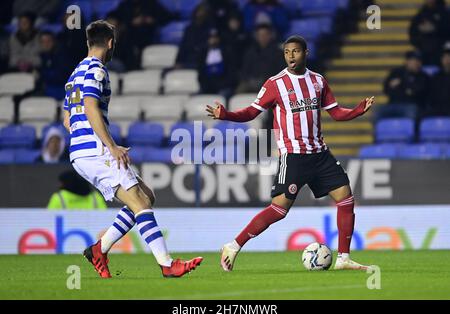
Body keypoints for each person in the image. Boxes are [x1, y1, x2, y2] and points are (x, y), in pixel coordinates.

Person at [206, 35, 374, 271]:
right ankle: (233, 246)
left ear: (306, 52)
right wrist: (227, 115)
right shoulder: (275, 84)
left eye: (295, 51)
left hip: (320, 153)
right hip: (293, 156)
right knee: (279, 209)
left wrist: (357, 110)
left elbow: (335, 112)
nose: (291, 56)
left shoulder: (318, 81)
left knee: (345, 197)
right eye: (287, 52)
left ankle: (344, 258)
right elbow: (252, 112)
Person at [63, 20, 202, 278]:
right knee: (140, 203)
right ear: (111, 43)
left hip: (80, 152)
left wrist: (86, 135)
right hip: (96, 150)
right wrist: (111, 146)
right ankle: (167, 265)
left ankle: (99, 250)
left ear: (88, 43)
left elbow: (67, 119)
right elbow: (91, 107)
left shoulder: (75, 73)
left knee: (146, 196)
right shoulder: (97, 70)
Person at [379, 50, 429, 120]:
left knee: (412, 112)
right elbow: (386, 89)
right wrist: (407, 89)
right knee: (378, 111)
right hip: (393, 104)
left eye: (418, 61)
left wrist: (401, 84)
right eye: (413, 61)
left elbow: (418, 92)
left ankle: (411, 131)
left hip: (412, 105)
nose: (416, 63)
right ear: (407, 61)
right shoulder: (396, 72)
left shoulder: (423, 76)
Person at [235, 23, 285, 93]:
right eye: (260, 35)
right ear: (257, 36)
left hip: (270, 83)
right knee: (241, 89)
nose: (263, 37)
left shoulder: (278, 52)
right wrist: (250, 80)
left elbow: (281, 72)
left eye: (265, 35)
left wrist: (265, 80)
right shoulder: (250, 52)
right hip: (251, 83)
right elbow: (245, 70)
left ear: (270, 35)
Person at [409, 0, 450, 65]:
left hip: (441, 51)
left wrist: (434, 29)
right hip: (424, 53)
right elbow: (413, 33)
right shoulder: (420, 15)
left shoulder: (445, 13)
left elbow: (447, 31)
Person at [427, 46, 450, 117]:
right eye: (445, 57)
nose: (447, 60)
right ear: (441, 60)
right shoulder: (435, 77)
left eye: (449, 57)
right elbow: (432, 95)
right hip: (438, 108)